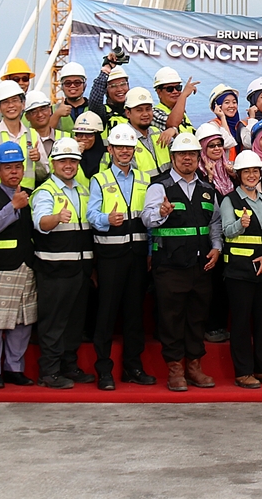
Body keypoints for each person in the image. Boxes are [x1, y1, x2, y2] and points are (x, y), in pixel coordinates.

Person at [144, 131, 222, 391]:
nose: (187, 158)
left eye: (191, 154)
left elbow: (214, 223)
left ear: (198, 158)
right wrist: (161, 212)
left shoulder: (207, 189)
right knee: (171, 317)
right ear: (173, 156)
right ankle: (175, 369)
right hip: (169, 265)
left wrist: (217, 247)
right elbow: (147, 220)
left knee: (197, 317)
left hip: (201, 265)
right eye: (181, 154)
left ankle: (194, 367)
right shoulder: (159, 186)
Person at [88, 124, 156, 390]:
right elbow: (91, 215)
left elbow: (150, 221)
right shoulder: (100, 179)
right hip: (110, 256)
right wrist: (107, 219)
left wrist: (150, 251)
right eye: (120, 147)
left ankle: (133, 367)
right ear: (110, 149)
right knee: (106, 314)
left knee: (134, 314)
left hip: (138, 255)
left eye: (128, 147)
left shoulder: (144, 179)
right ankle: (104, 370)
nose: (124, 151)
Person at [29, 139, 94, 389]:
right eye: (63, 161)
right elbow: (41, 223)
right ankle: (50, 371)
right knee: (53, 321)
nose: (68, 165)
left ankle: (69, 365)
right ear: (53, 163)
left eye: (73, 161)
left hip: (80, 268)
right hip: (54, 269)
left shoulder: (83, 190)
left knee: (75, 322)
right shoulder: (46, 192)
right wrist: (57, 217)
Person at [220, 151, 262, 389]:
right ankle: (243, 371)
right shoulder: (230, 200)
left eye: (254, 171)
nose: (251, 175)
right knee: (240, 322)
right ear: (238, 175)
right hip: (239, 271)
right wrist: (240, 225)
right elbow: (226, 230)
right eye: (246, 172)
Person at [0, 143, 38, 389]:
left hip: (27, 265)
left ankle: (14, 367)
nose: (13, 172)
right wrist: (13, 206)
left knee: (23, 320)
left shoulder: (31, 193)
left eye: (17, 167)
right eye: (8, 167)